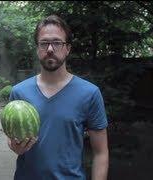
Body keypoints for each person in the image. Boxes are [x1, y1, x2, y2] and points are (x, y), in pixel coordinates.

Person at [8, 15, 109, 180]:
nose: (49, 49)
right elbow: (11, 138)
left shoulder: (90, 93)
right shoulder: (19, 93)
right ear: (37, 48)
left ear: (67, 48)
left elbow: (101, 152)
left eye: (57, 43)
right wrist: (15, 147)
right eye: (44, 43)